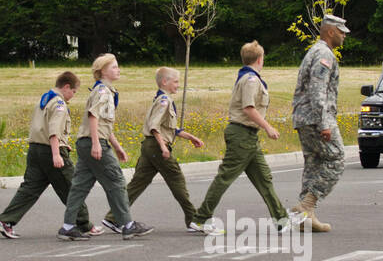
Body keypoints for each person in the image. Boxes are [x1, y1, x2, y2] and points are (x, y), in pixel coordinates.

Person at [188, 41, 296, 235]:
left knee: (264, 179)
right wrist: (268, 127)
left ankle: (282, 220)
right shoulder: (251, 80)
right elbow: (248, 108)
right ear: (260, 59)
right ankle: (201, 219)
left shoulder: (248, 77)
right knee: (225, 177)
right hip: (242, 134)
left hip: (248, 136)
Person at [0, 71, 103, 239]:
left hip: (35, 149)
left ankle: (5, 221)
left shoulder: (45, 98)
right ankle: (84, 224)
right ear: (66, 87)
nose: (73, 96)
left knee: (30, 188)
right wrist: (56, 154)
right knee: (72, 187)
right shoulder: (59, 103)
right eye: (73, 91)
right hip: (52, 149)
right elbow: (54, 130)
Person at [58, 53, 152, 241]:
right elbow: (94, 117)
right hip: (94, 142)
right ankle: (127, 224)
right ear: (102, 71)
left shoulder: (105, 90)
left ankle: (68, 226)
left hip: (88, 141)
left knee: (80, 186)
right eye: (114, 67)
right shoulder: (103, 92)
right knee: (116, 181)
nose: (118, 70)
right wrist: (96, 144)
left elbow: (103, 124)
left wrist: (116, 146)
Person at [103, 67, 205, 232]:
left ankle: (113, 217)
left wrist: (191, 137)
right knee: (177, 180)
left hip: (149, 147)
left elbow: (170, 128)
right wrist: (164, 147)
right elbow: (154, 126)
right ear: (165, 82)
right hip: (157, 147)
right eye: (176, 81)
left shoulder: (161, 99)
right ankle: (194, 219)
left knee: (137, 184)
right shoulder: (164, 100)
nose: (178, 85)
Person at [289, 13, 350, 233]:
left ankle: (306, 216)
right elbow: (317, 90)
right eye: (341, 32)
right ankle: (307, 205)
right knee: (337, 158)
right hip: (316, 118)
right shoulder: (324, 54)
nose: (344, 36)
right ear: (331, 31)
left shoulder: (315, 51)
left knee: (314, 163)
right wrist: (324, 122)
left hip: (305, 117)